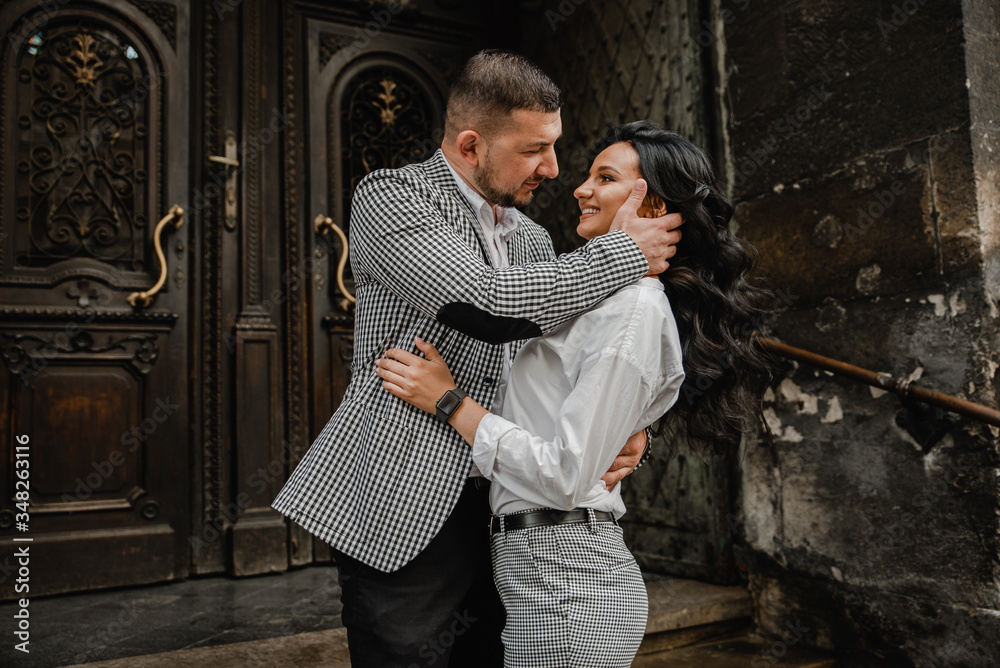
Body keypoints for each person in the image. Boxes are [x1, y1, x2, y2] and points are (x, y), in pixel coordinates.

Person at [270, 53, 683, 667]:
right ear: (470, 144)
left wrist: (632, 429)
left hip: (512, 501)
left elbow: (586, 365)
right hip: (405, 497)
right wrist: (624, 253)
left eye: (555, 146)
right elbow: (486, 305)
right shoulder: (392, 199)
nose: (553, 168)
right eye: (534, 150)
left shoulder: (536, 239)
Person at [375, 121, 776, 667]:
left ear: (654, 207)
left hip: (568, 580)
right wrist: (633, 427)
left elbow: (564, 474)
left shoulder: (632, 310)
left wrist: (450, 403)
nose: (578, 188)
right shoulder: (591, 293)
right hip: (536, 567)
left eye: (604, 178)